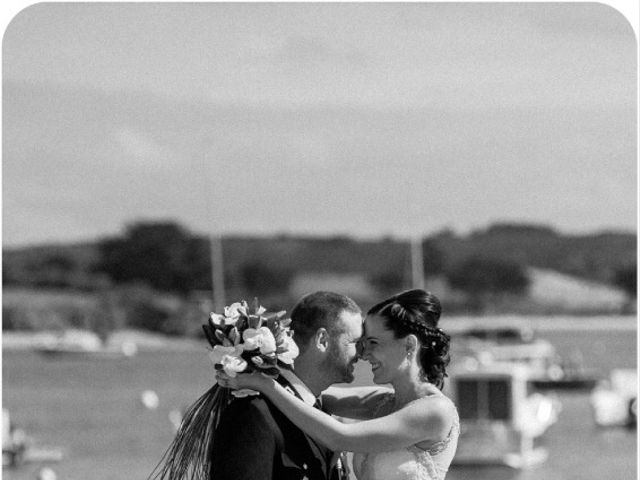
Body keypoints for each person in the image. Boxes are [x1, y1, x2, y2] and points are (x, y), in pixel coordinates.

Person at [217, 289, 459, 480]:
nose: (364, 354)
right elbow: (309, 393)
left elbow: (339, 436)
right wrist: (257, 360)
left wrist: (266, 384)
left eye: (373, 342)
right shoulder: (383, 402)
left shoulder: (436, 411)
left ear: (409, 346)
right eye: (359, 343)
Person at [209, 291, 363, 480]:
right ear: (322, 340)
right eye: (354, 342)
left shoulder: (320, 411)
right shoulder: (253, 414)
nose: (361, 353)